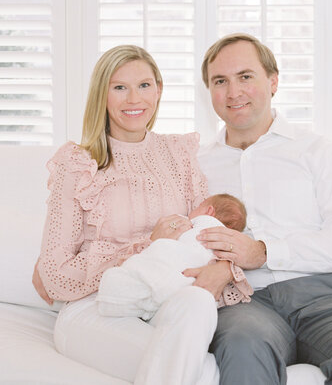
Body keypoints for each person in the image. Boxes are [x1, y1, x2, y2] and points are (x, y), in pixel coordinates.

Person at [33, 44, 251, 385]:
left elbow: (208, 230)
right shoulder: (77, 163)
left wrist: (223, 265)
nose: (134, 99)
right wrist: (148, 245)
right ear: (101, 94)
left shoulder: (178, 154)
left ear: (159, 90)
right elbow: (56, 275)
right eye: (120, 87)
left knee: (197, 304)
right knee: (204, 373)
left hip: (164, 295)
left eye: (144, 86)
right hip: (96, 306)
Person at [196, 33, 332, 385]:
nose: (233, 92)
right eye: (220, 81)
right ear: (209, 91)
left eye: (245, 76)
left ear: (273, 82)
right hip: (246, 301)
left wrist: (263, 251)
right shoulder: (198, 166)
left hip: (327, 296)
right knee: (242, 346)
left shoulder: (316, 151)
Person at [96, 193, 250, 320]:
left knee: (126, 275)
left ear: (209, 211)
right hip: (185, 287)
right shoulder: (227, 246)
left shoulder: (187, 221)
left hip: (164, 270)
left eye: (197, 208)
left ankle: (120, 300)